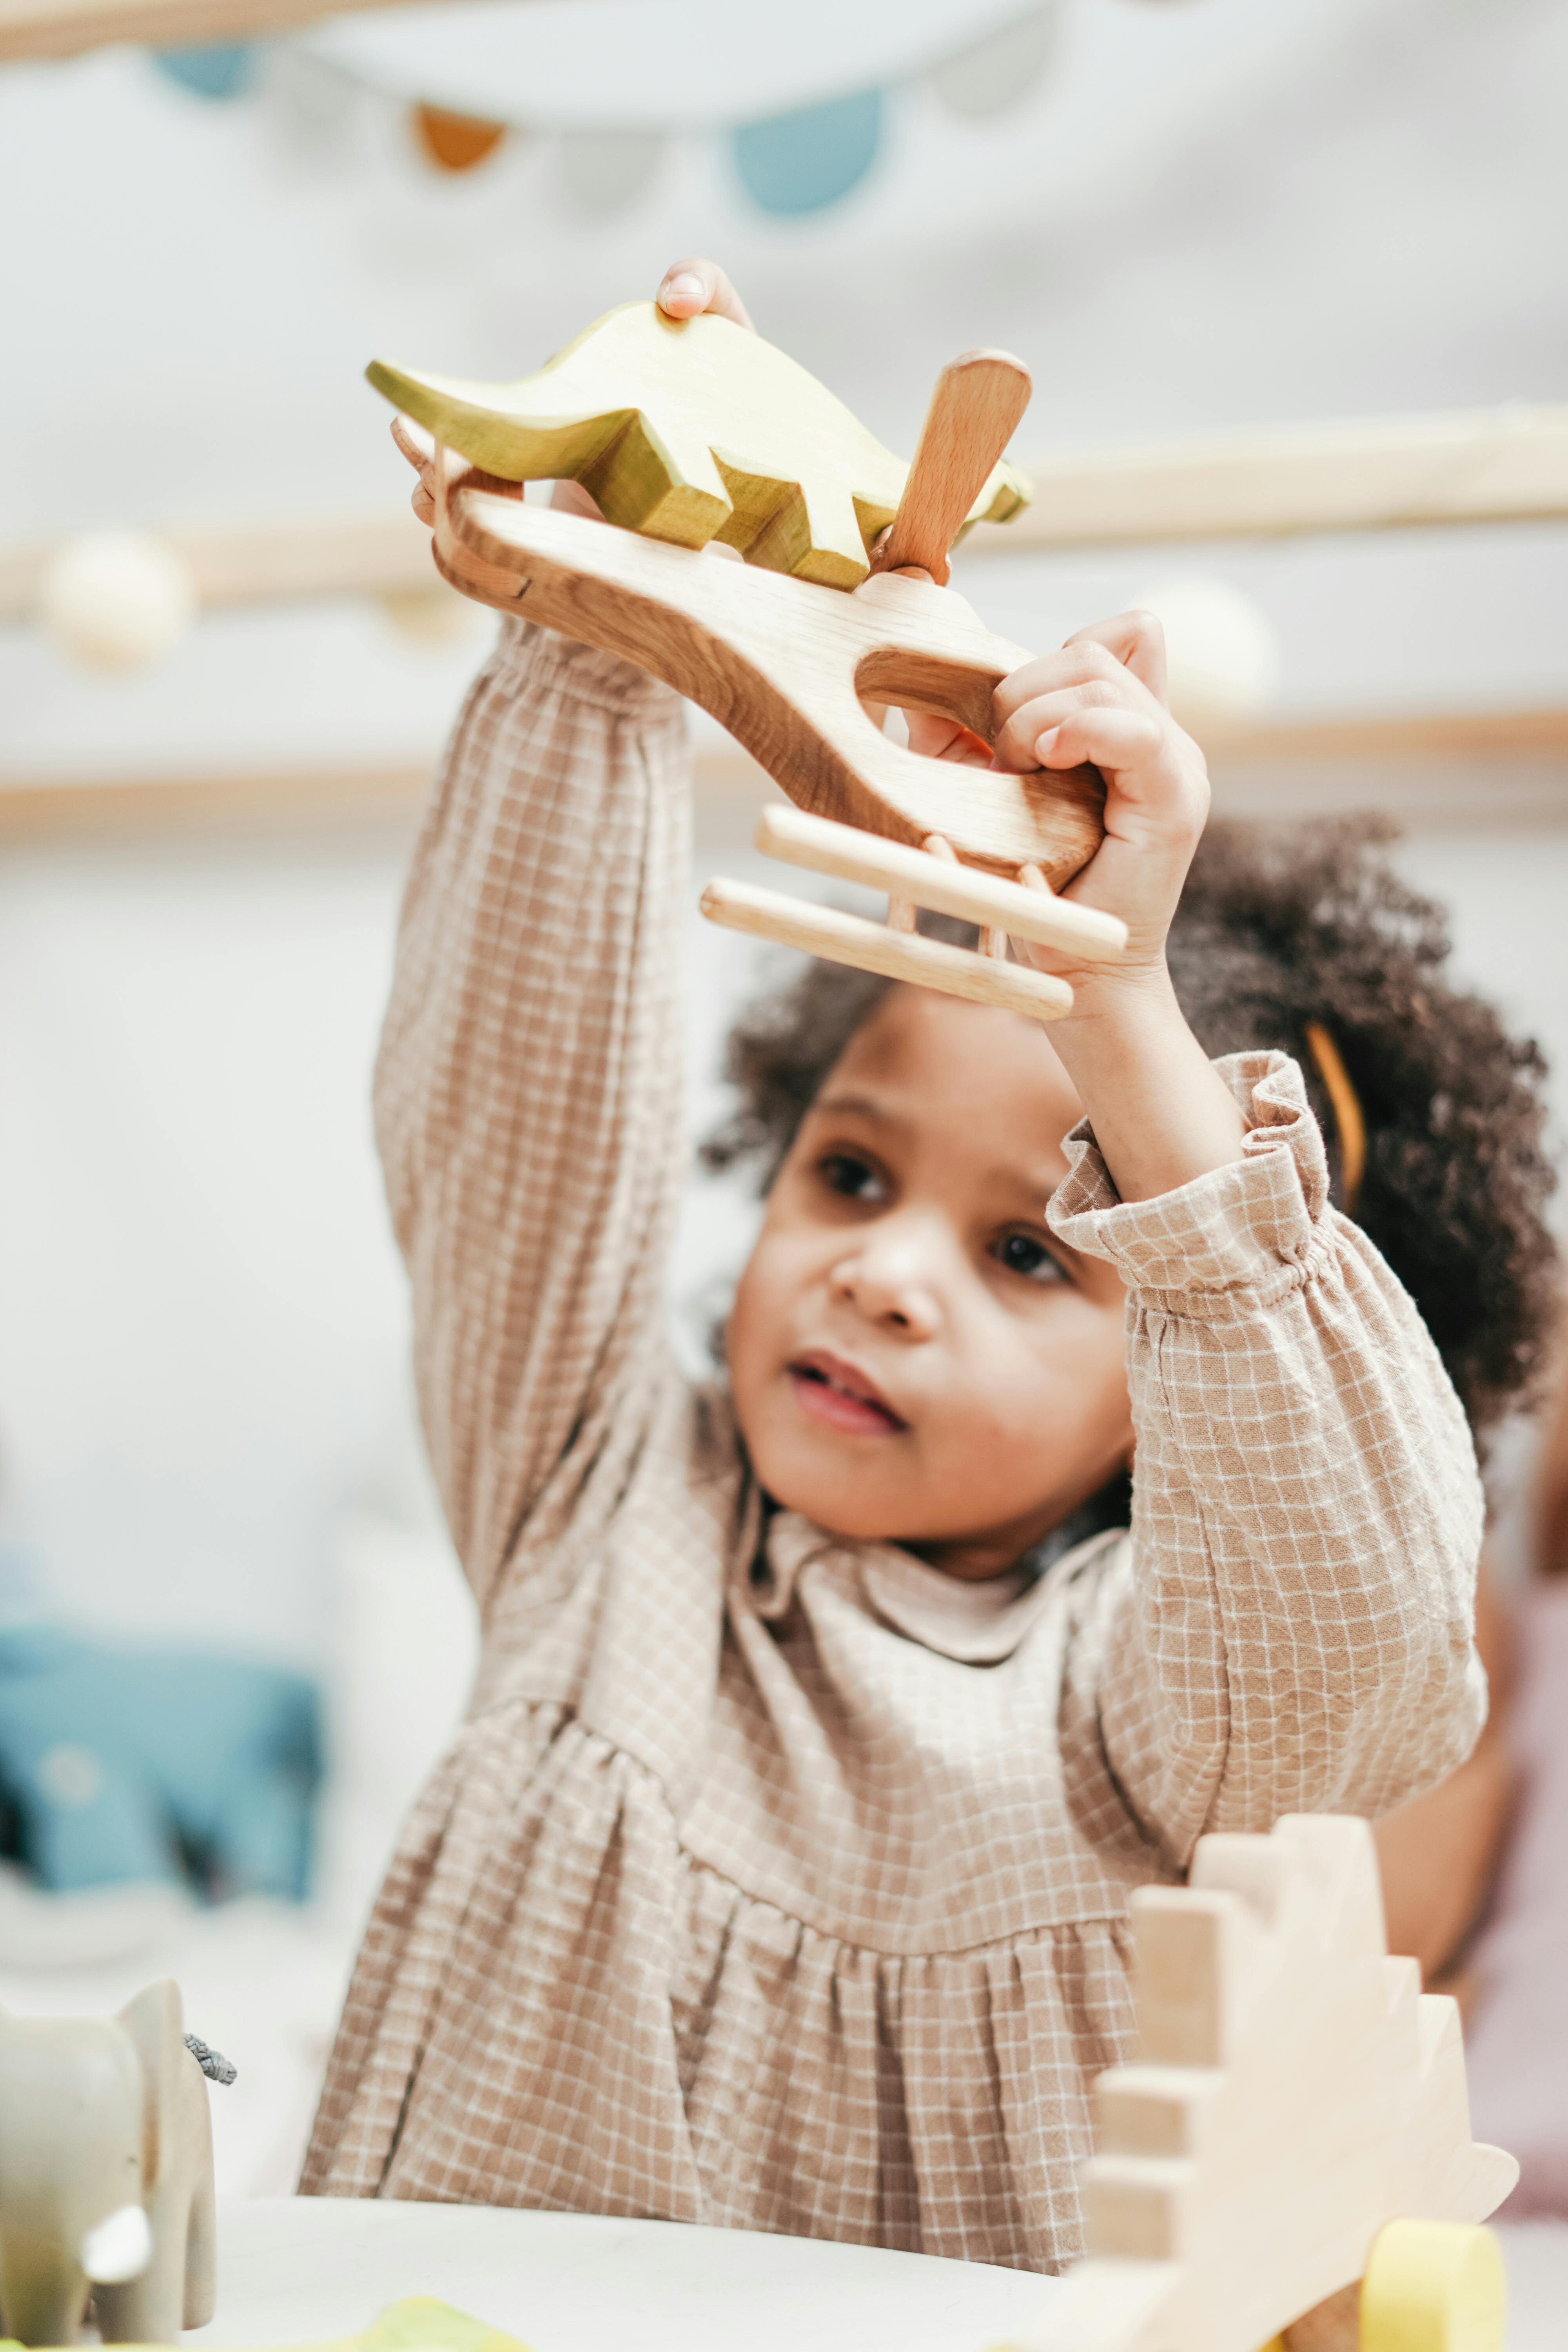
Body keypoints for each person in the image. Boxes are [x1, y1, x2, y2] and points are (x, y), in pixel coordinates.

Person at [301, 259, 1555, 2270]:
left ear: (1187, 1397)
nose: (884, 1277)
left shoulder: (1145, 1706)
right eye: (849, 1173)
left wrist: (1116, 1007)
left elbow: (1362, 1635)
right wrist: (607, 624)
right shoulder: (596, 1509)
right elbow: (512, 1087)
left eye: (1027, 1256)